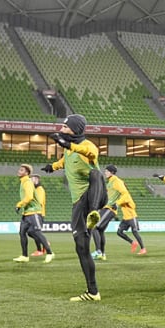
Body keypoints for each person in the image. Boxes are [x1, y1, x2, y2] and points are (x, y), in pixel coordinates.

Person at [41, 114, 107, 301]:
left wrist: (66, 144)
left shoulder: (88, 146)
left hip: (95, 194)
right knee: (81, 247)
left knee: (96, 174)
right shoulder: (68, 151)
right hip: (79, 202)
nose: (62, 129)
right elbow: (64, 162)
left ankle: (94, 212)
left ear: (75, 129)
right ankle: (93, 292)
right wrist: (52, 167)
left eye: (65, 126)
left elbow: (89, 154)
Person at [93, 164, 145, 258]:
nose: (105, 172)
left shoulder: (117, 181)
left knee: (95, 227)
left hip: (111, 209)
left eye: (107, 171)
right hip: (107, 208)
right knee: (100, 230)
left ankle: (98, 251)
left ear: (112, 172)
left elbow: (125, 194)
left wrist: (117, 203)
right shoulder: (109, 182)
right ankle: (103, 254)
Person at [13, 164, 54, 263]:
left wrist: (19, 204)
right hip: (27, 212)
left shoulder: (27, 182)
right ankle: (25, 256)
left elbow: (29, 197)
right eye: (19, 169)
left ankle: (49, 253)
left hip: (34, 211)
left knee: (36, 232)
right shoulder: (23, 182)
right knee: (22, 233)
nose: (19, 171)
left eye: (21, 170)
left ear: (26, 173)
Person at [30, 173, 50, 257]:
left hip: (39, 213)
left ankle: (40, 248)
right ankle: (44, 243)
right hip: (34, 213)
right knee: (31, 231)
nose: (32, 181)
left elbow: (40, 202)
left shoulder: (40, 189)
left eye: (34, 179)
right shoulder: (35, 190)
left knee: (34, 231)